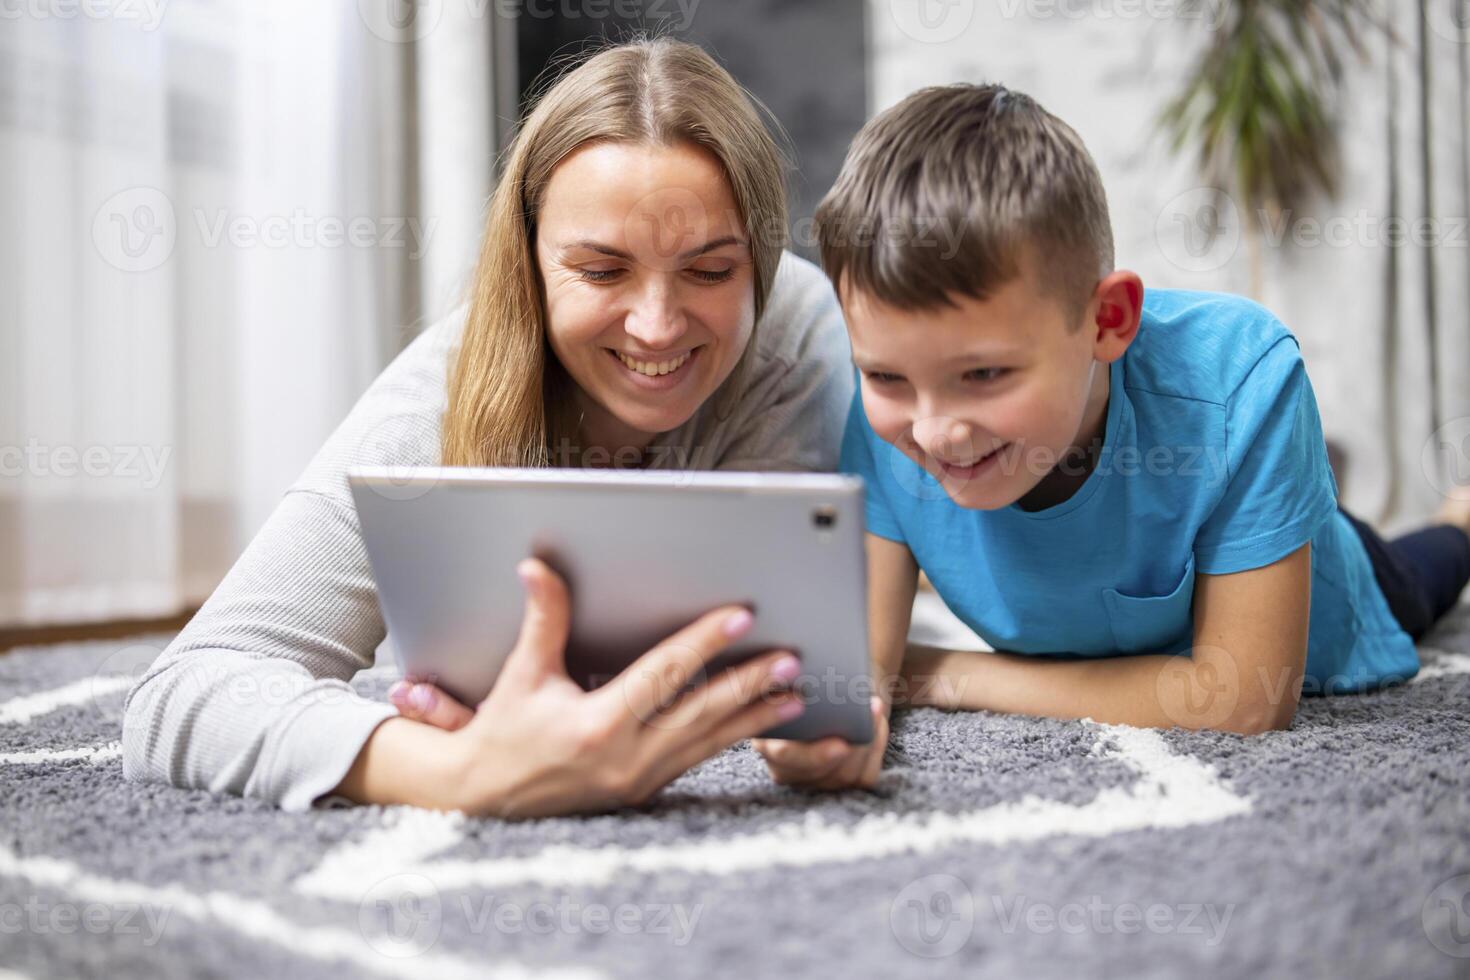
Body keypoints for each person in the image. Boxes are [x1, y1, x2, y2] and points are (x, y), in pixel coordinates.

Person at [121, 37, 868, 818]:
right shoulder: (436, 396)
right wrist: (459, 771)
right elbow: (185, 691)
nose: (656, 326)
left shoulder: (791, 334)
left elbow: (763, 663)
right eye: (603, 271)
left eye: (711, 271)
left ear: (763, 261)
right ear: (528, 265)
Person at [752, 83, 1470, 790]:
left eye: (985, 374)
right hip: (1102, 618)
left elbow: (1242, 700)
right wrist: (830, 725)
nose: (935, 430)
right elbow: (869, 665)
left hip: (1339, 582)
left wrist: (945, 671)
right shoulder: (888, 415)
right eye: (886, 378)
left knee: (1428, 568)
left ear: (1108, 320)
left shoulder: (1241, 376)